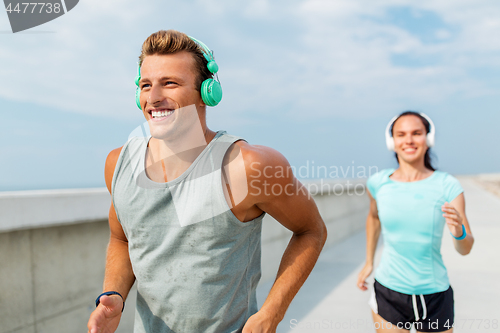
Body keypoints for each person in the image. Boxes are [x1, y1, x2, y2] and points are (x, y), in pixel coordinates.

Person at [87, 29, 327, 333]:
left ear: (207, 92)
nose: (154, 97)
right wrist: (114, 295)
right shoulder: (118, 164)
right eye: (146, 85)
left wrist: (272, 312)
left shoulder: (248, 166)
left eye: (169, 83)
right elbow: (122, 239)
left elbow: (311, 230)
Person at [356, 111, 474, 333]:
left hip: (435, 295)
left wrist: (458, 231)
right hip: (389, 291)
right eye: (401, 134)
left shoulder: (448, 185)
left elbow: (466, 248)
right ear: (392, 142)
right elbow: (373, 218)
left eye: (416, 133)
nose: (408, 140)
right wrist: (369, 261)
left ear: (428, 139)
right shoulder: (378, 183)